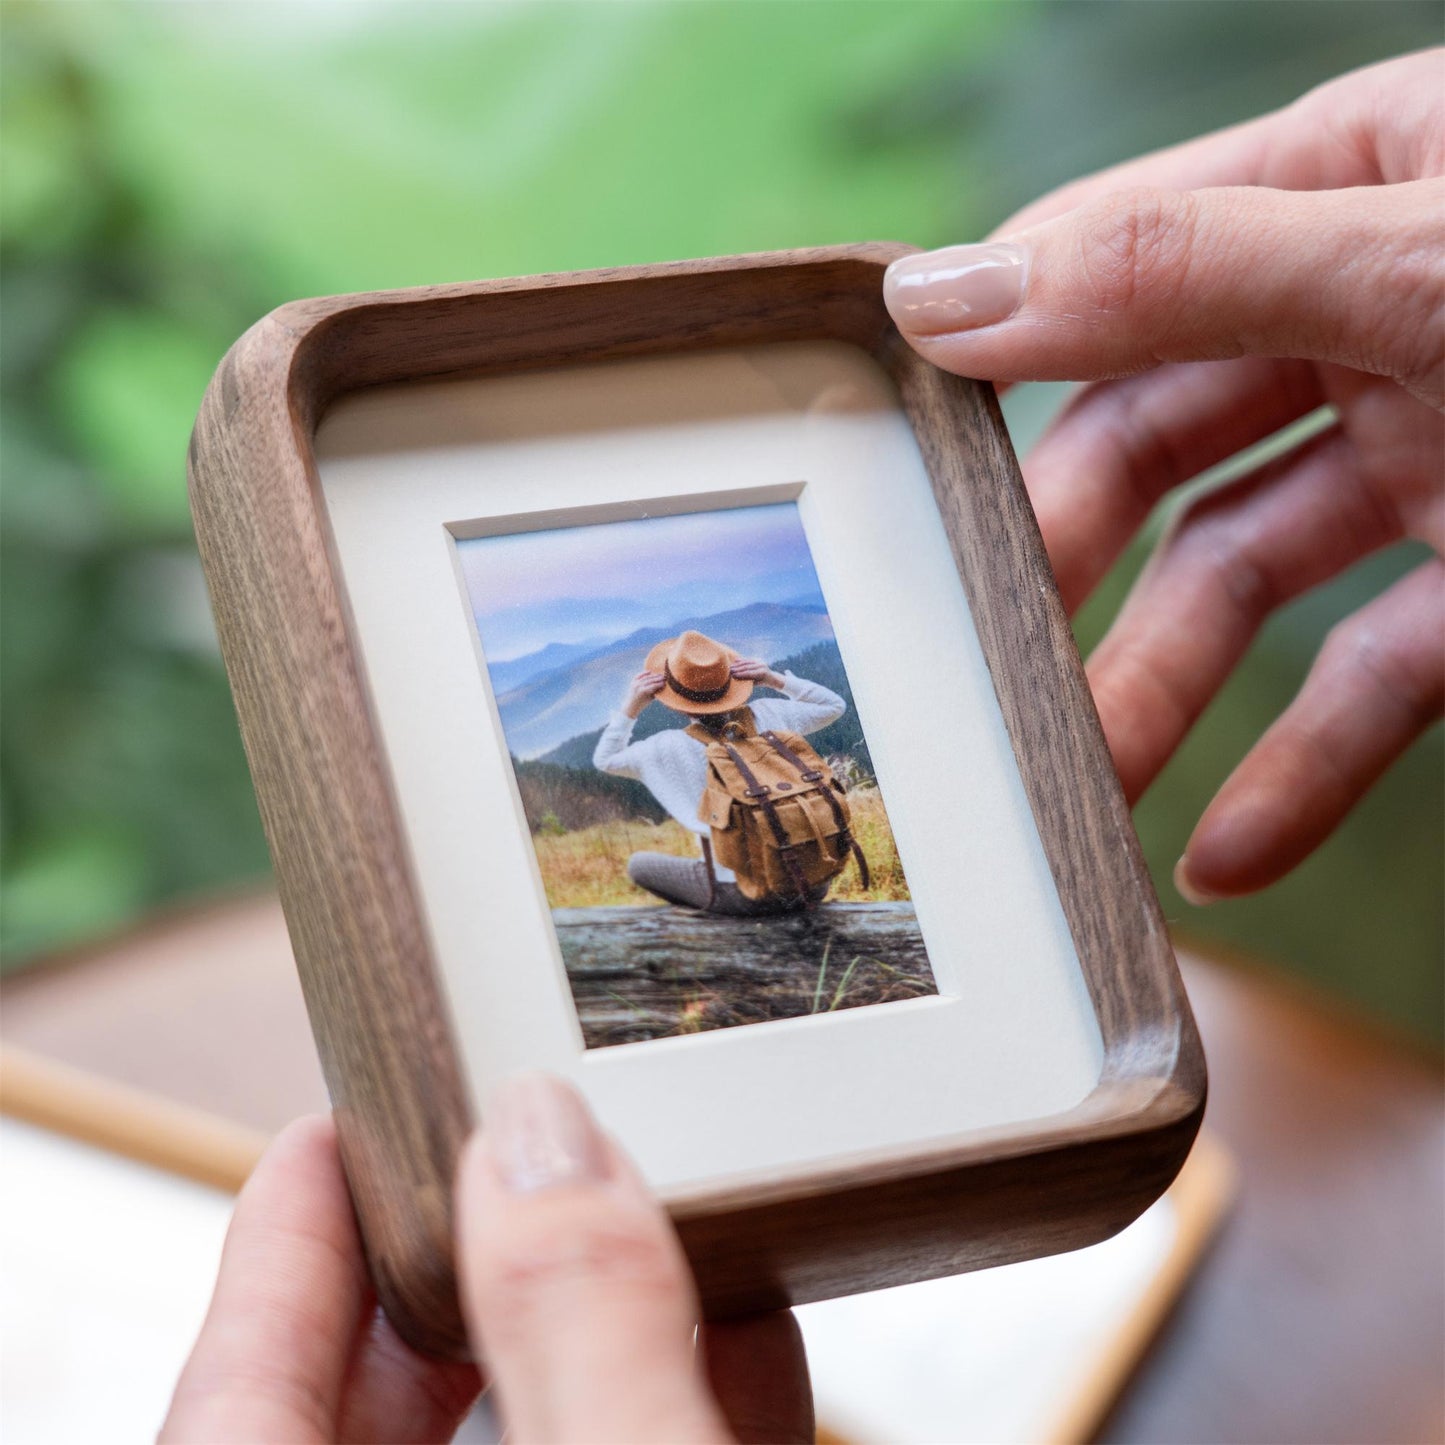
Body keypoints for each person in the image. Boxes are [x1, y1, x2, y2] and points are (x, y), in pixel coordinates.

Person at [164, 51, 1441, 1445]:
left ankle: (724, 905)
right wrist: (759, 678)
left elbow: (595, 744)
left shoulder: (660, 756)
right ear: (741, 692)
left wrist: (650, 710)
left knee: (654, 871)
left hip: (739, 891)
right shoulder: (778, 719)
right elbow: (835, 723)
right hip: (825, 881)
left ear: (677, 703)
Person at [593, 628, 846, 914]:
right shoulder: (772, 714)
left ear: (672, 700)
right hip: (813, 884)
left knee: (638, 864)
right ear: (732, 683)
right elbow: (833, 705)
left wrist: (631, 707)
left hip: (745, 897)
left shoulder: (666, 747)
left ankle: (718, 917)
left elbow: (606, 759)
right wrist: (773, 679)